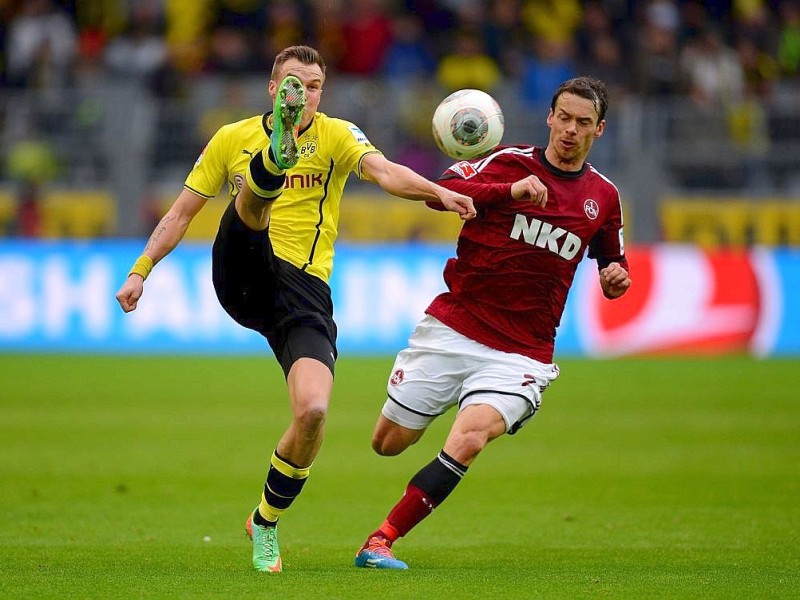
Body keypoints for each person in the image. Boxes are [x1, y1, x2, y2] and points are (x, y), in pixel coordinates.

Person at [115, 45, 476, 573]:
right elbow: (181, 213)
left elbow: (386, 173)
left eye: (311, 88)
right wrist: (140, 270)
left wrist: (438, 195)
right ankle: (273, 163)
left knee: (312, 413)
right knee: (252, 207)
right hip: (242, 269)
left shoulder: (337, 133)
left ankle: (264, 521)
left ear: (320, 93)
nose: (303, 95)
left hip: (302, 294)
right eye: (292, 86)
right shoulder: (231, 137)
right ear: (272, 89)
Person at [354, 76, 631, 570]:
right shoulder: (507, 162)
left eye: (582, 123)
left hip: (522, 352)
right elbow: (441, 191)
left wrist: (615, 277)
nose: (570, 130)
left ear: (599, 129)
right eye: (563, 118)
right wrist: (510, 192)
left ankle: (381, 540)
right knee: (388, 443)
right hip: (456, 326)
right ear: (549, 117)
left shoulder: (603, 197)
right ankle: (444, 396)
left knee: (469, 438)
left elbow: (613, 259)